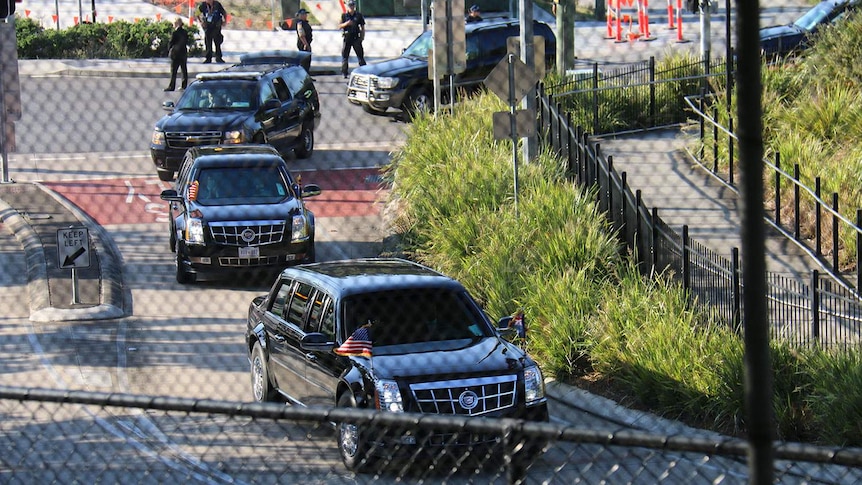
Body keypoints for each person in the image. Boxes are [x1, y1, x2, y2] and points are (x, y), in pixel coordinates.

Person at [339, 0, 366, 79]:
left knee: (360, 55)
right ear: (347, 6)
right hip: (347, 37)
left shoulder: (358, 15)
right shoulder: (344, 15)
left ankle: (364, 70)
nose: (351, 7)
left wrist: (362, 36)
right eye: (350, 5)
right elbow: (339, 26)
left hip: (355, 37)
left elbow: (363, 27)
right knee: (345, 55)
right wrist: (346, 23)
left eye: (353, 5)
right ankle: (344, 72)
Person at [165, 18, 189, 92]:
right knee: (184, 69)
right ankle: (184, 85)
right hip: (183, 52)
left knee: (173, 71)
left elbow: (171, 42)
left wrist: (169, 50)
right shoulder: (185, 32)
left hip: (175, 53)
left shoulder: (175, 33)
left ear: (177, 23)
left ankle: (172, 86)